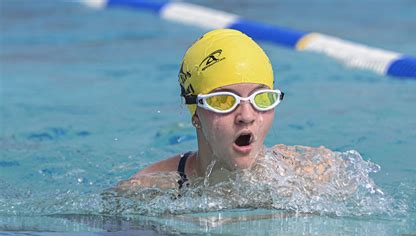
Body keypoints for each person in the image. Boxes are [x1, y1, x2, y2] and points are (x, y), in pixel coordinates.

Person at [119, 28, 337, 191]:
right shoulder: (147, 190)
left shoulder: (309, 177)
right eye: (223, 100)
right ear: (195, 113)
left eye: (261, 98)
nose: (247, 116)